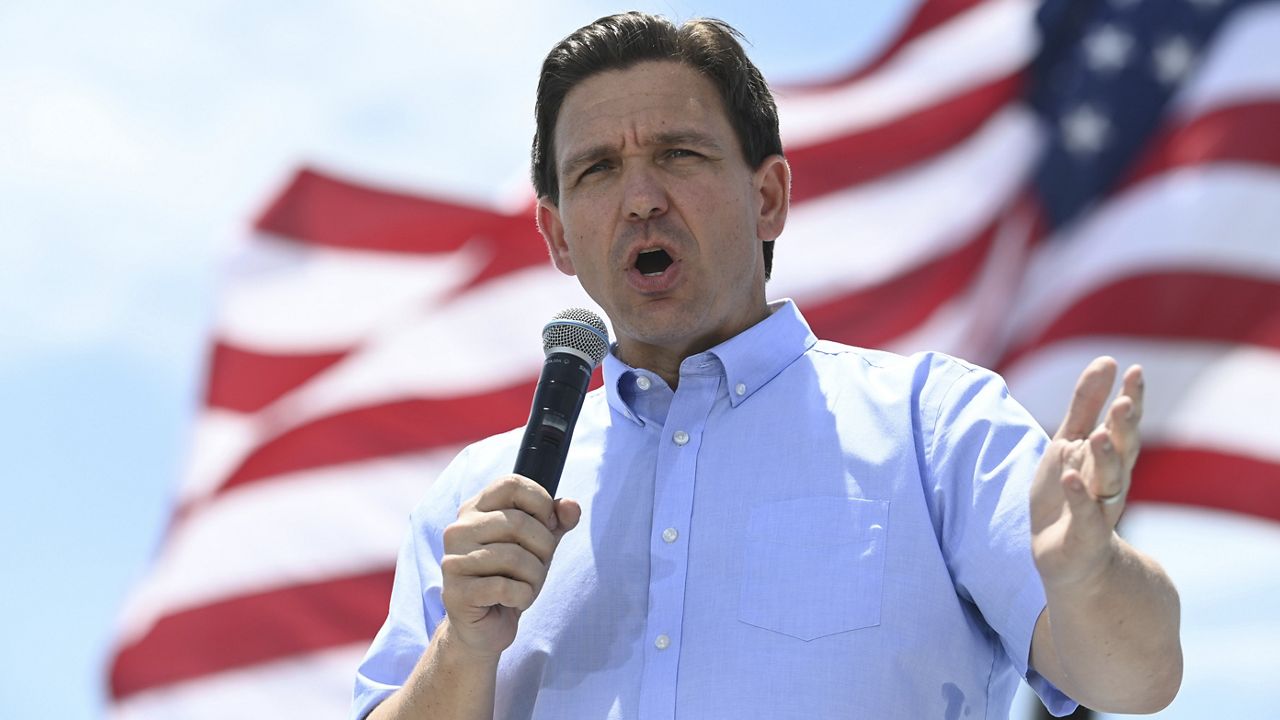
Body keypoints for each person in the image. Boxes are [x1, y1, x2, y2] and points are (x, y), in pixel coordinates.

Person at [352, 12, 1182, 719]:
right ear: (560, 236)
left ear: (770, 198)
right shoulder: (475, 502)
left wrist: (1089, 573)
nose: (640, 197)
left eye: (679, 153)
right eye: (597, 169)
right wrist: (463, 649)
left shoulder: (933, 425)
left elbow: (1137, 676)